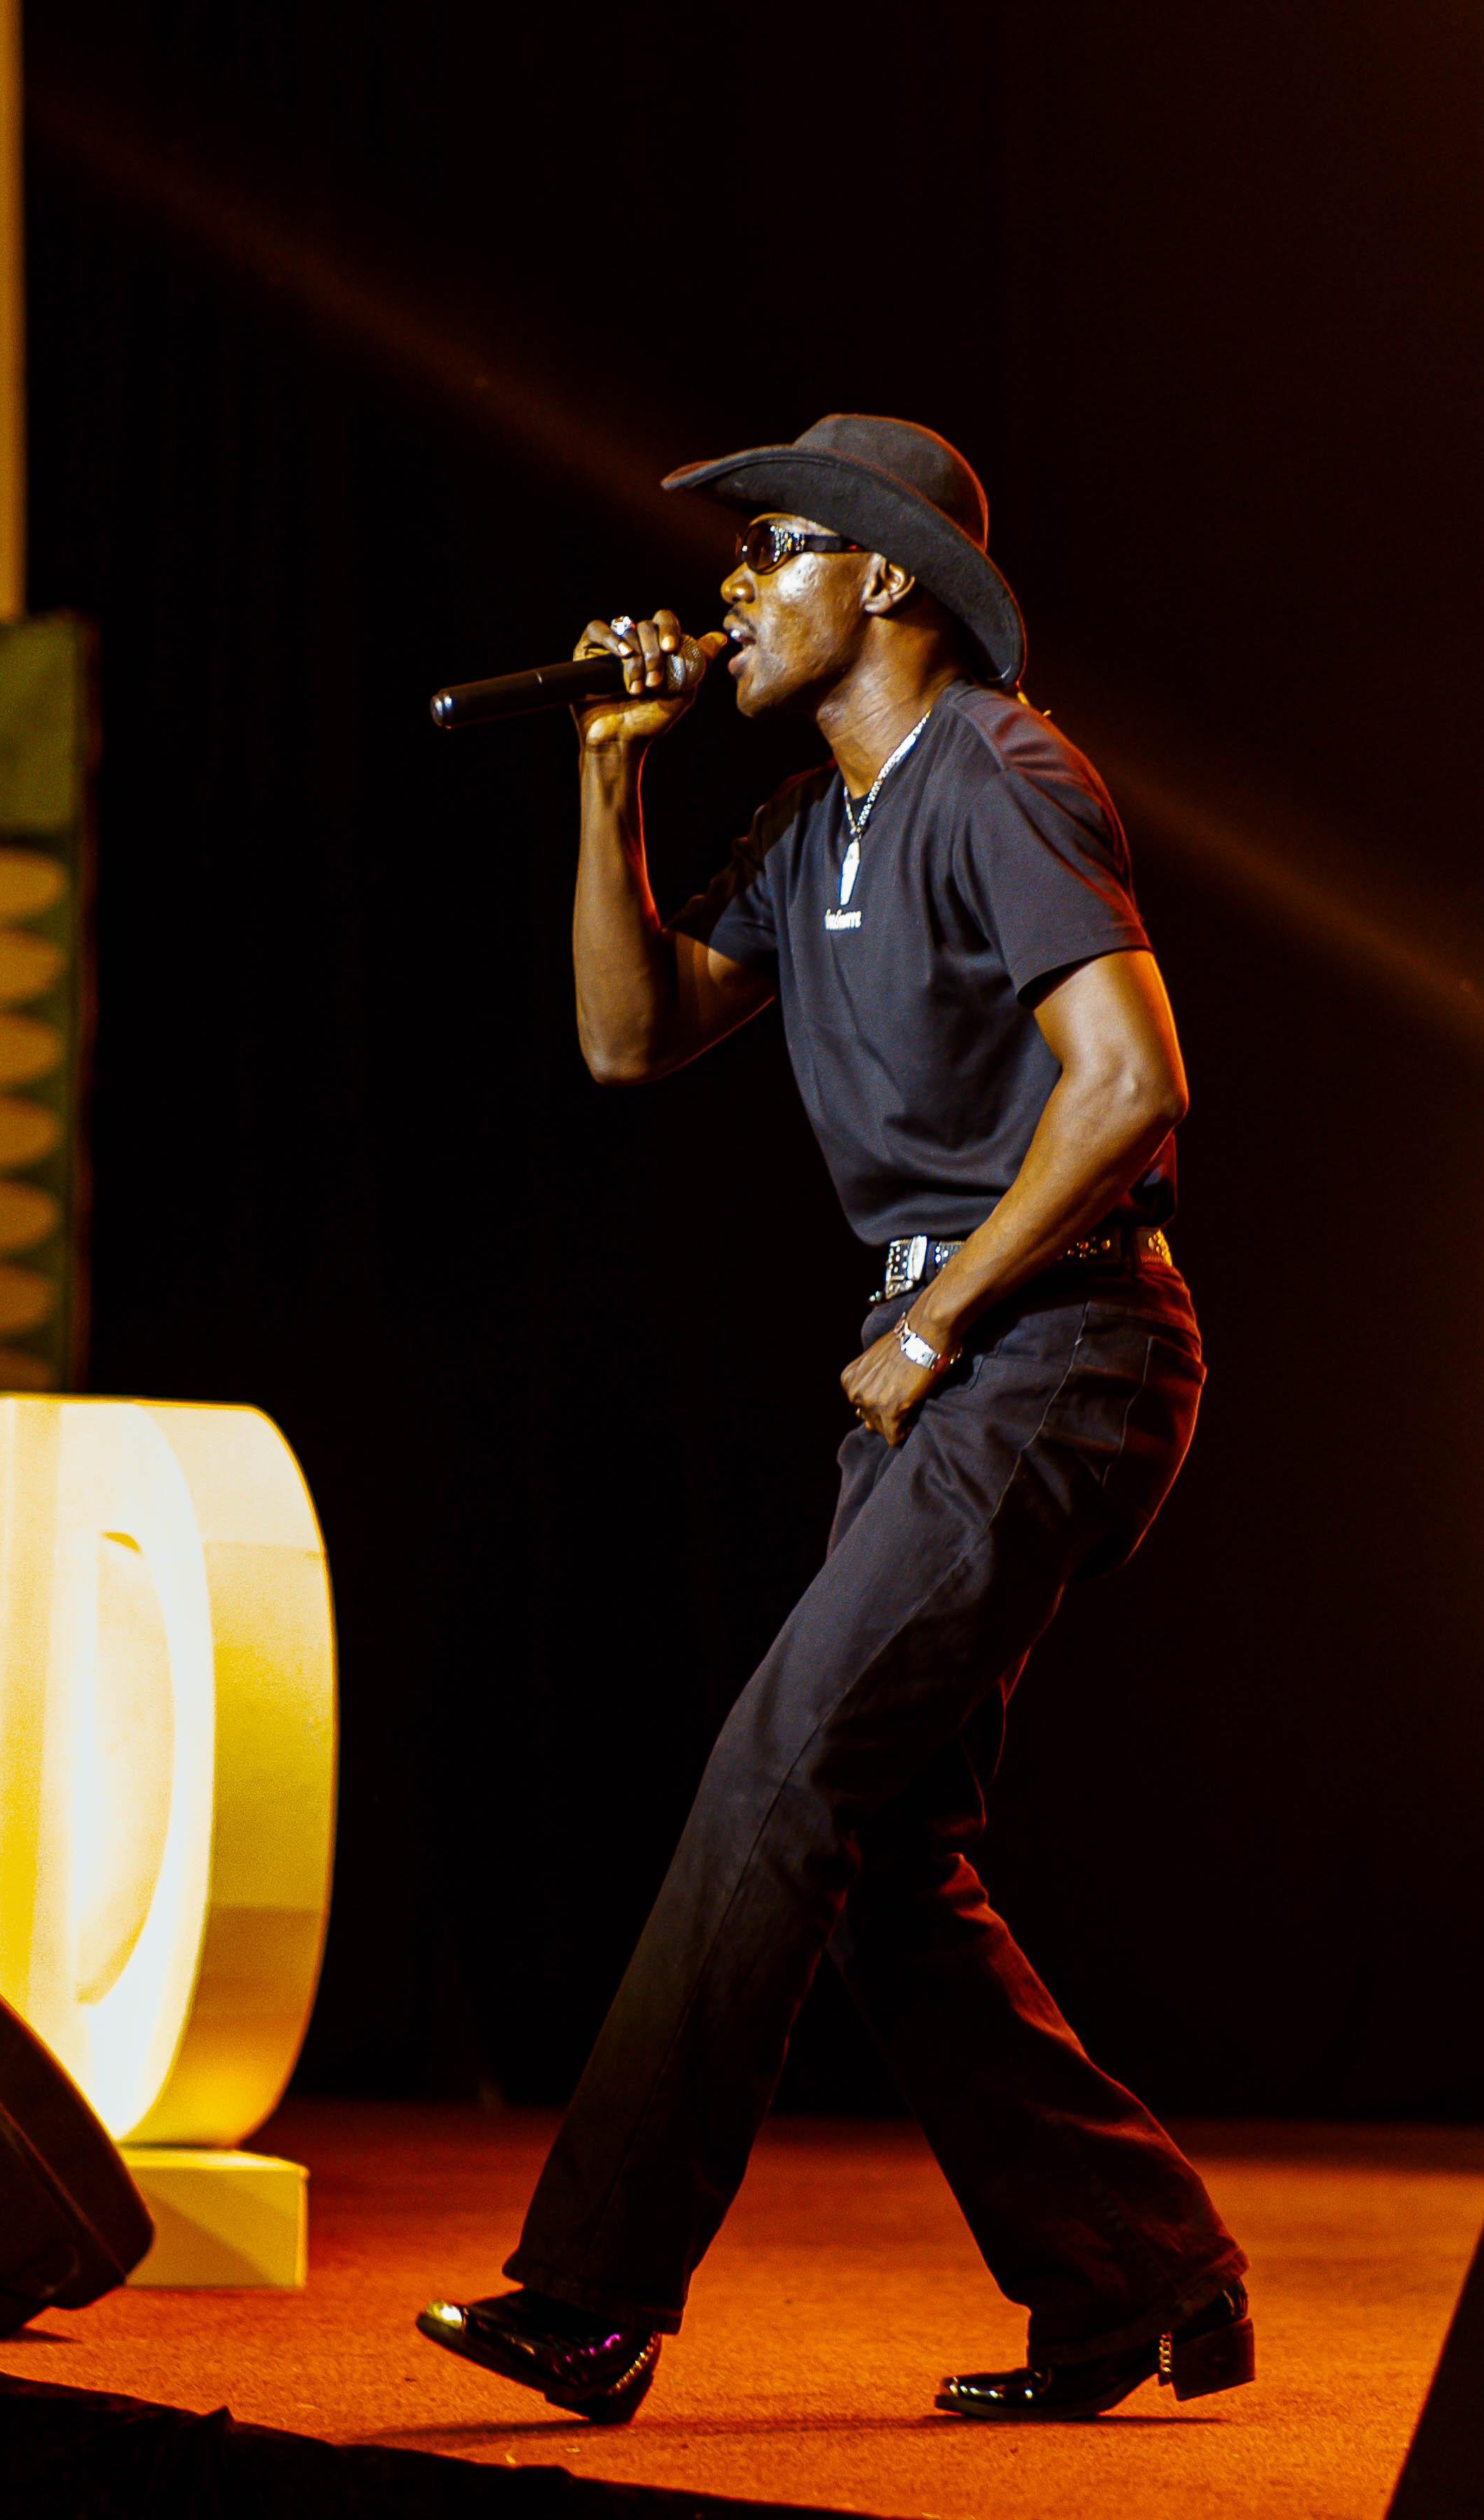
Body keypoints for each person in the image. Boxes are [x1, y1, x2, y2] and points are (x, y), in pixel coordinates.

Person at [418, 415, 1252, 2427]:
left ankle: (593, 2294)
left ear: (882, 576)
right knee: (879, 1863)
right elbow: (628, 1037)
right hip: (947, 1367)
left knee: (777, 1773)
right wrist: (610, 767)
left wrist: (941, 1317)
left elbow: (1132, 1082)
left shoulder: (998, 770)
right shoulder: (813, 828)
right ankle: (1135, 2270)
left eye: (769, 548)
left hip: (1052, 1341)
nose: (731, 589)